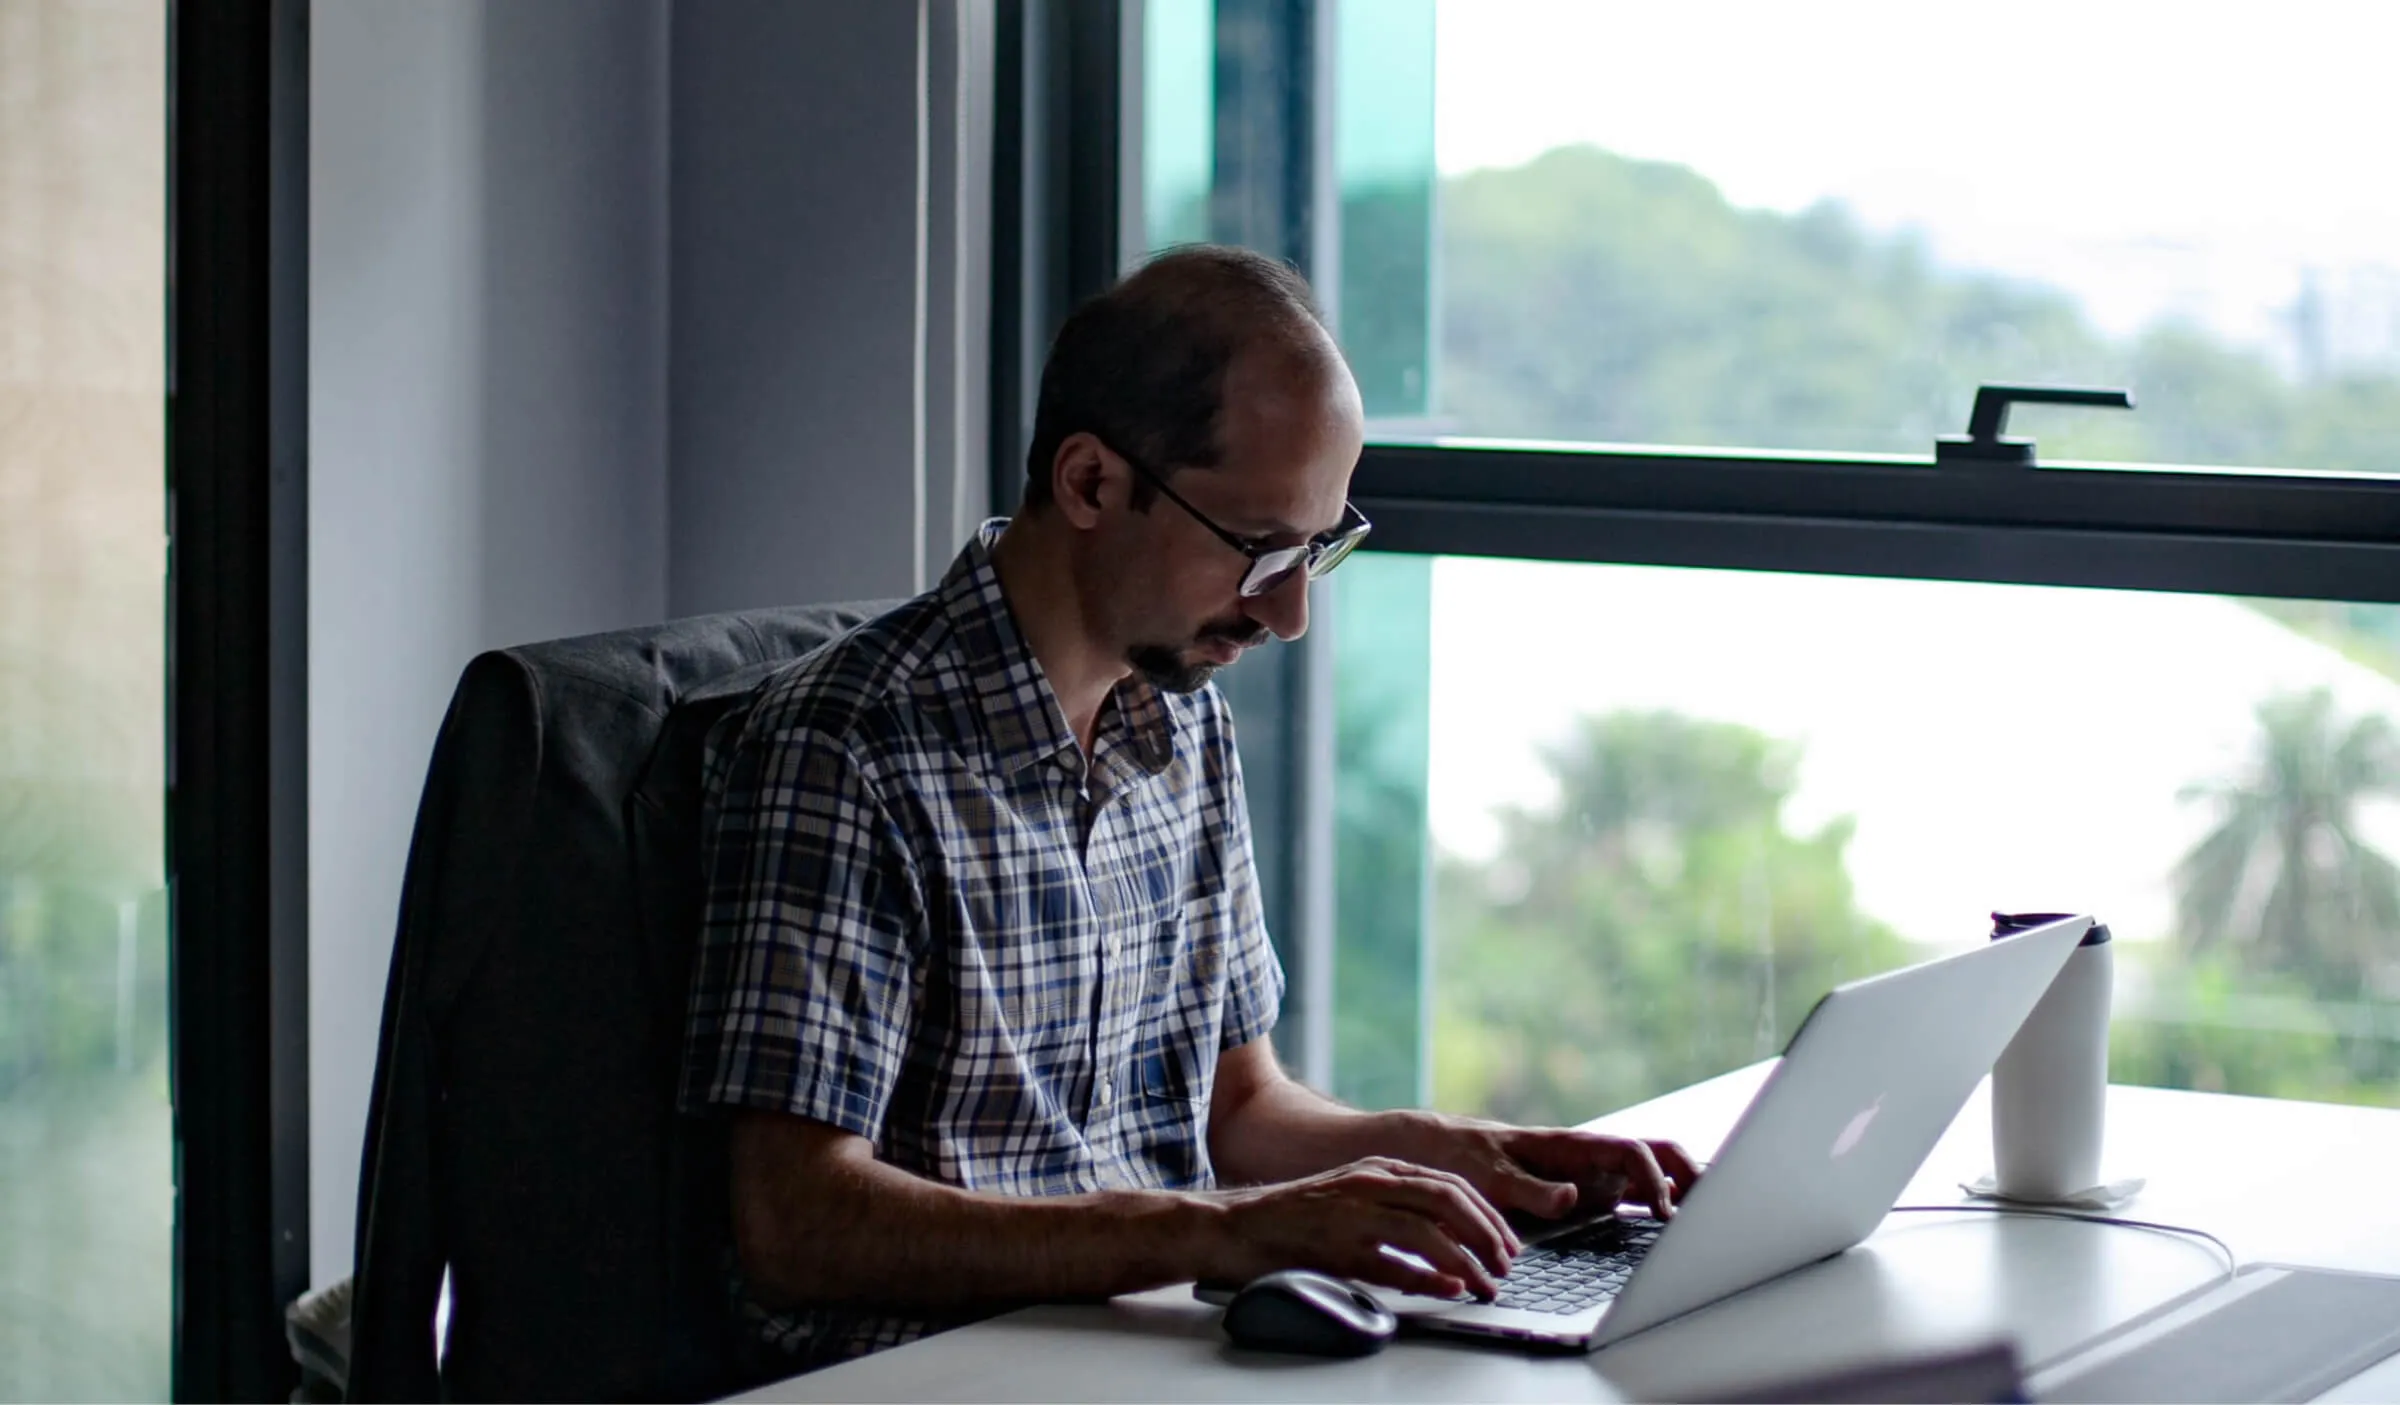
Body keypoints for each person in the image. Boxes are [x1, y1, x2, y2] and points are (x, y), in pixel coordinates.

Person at [679, 244, 1700, 1369]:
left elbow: (1241, 1110)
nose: (1292, 612)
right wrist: (1225, 1230)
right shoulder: (848, 750)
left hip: (1139, 1350)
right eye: (1260, 548)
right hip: (934, 1373)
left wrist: (1463, 1157)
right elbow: (795, 1223)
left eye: (1319, 550)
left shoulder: (1181, 725)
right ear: (1089, 483)